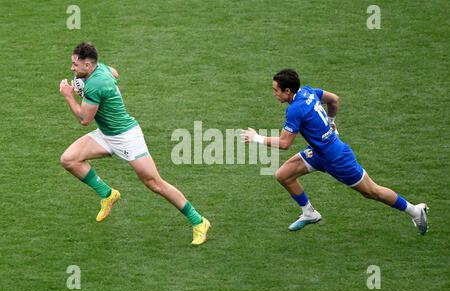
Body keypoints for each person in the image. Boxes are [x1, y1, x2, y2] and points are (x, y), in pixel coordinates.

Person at [241, 68, 428, 235]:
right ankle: (309, 213)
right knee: (283, 175)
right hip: (318, 153)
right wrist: (331, 122)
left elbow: (284, 143)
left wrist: (256, 138)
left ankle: (414, 211)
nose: (274, 94)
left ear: (287, 91)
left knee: (371, 191)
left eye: (276, 90)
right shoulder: (307, 91)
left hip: (336, 158)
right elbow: (334, 99)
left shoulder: (295, 110)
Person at [59, 42, 211, 245]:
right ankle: (108, 194)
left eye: (75, 64)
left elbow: (84, 119)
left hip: (127, 137)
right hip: (106, 134)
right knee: (69, 159)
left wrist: (70, 96)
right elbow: (115, 72)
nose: (72, 68)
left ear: (88, 65)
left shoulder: (95, 85)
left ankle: (199, 221)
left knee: (154, 184)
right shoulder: (100, 69)